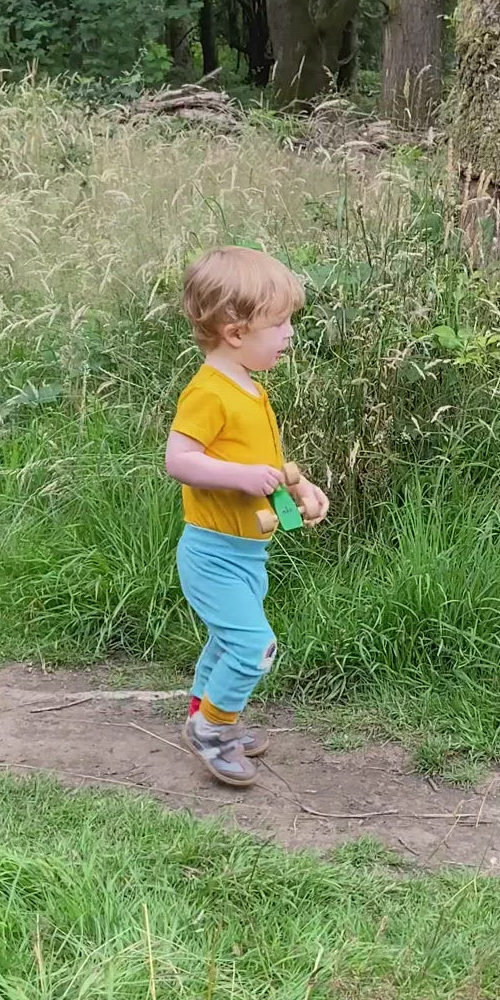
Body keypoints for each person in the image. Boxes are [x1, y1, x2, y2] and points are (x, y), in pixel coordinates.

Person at [165, 246, 329, 787]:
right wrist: (240, 479)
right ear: (236, 332)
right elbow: (179, 460)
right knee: (254, 647)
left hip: (246, 551)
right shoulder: (207, 392)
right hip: (211, 551)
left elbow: (257, 460)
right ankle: (211, 731)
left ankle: (208, 718)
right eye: (279, 324)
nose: (288, 336)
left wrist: (299, 484)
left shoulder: (249, 388)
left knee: (224, 642)